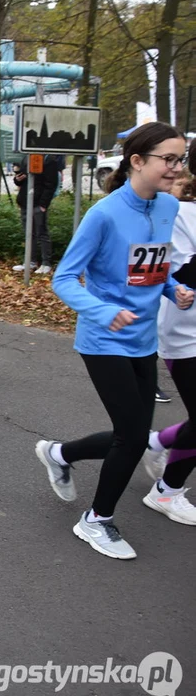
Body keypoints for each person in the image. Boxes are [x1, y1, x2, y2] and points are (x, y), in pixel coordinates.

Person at [34, 122, 193, 559]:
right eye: (169, 159)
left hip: (144, 337)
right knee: (131, 435)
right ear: (137, 161)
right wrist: (105, 311)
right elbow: (64, 279)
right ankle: (96, 520)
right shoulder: (104, 213)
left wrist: (170, 289)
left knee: (137, 435)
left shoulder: (166, 208)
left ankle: (59, 453)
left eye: (181, 159)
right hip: (103, 339)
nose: (177, 168)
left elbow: (149, 269)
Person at [140, 152, 196, 524]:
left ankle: (158, 442)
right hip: (186, 332)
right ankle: (166, 492)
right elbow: (176, 277)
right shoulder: (180, 213)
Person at [12, 153, 62, 274]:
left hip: (38, 203)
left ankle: (46, 263)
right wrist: (17, 180)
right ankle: (30, 261)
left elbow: (51, 184)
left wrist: (43, 204)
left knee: (42, 232)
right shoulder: (27, 156)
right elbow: (22, 177)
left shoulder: (49, 159)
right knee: (29, 233)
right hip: (25, 201)